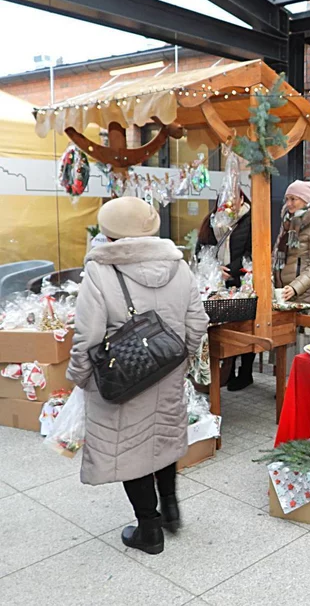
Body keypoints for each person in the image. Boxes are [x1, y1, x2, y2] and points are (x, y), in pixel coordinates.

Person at [67, 197, 209, 555]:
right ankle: (171, 508)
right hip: (169, 371)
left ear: (110, 233)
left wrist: (79, 376)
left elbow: (88, 336)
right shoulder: (179, 266)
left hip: (124, 377)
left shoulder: (101, 271)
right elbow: (198, 322)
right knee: (163, 438)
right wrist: (182, 359)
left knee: (130, 448)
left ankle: (149, 529)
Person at [196, 192, 254, 391]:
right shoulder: (211, 221)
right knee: (224, 328)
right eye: (224, 200)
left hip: (243, 280)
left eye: (232, 199)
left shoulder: (251, 220)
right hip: (216, 282)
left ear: (242, 199)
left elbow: (252, 252)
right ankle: (226, 370)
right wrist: (213, 269)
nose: (228, 203)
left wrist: (231, 270)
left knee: (245, 326)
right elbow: (201, 249)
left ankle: (245, 372)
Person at [273, 180, 310, 314]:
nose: (288, 203)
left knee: (302, 328)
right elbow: (276, 252)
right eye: (287, 199)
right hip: (283, 292)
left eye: (293, 199)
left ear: (306, 200)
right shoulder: (288, 221)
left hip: (305, 296)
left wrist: (295, 288)